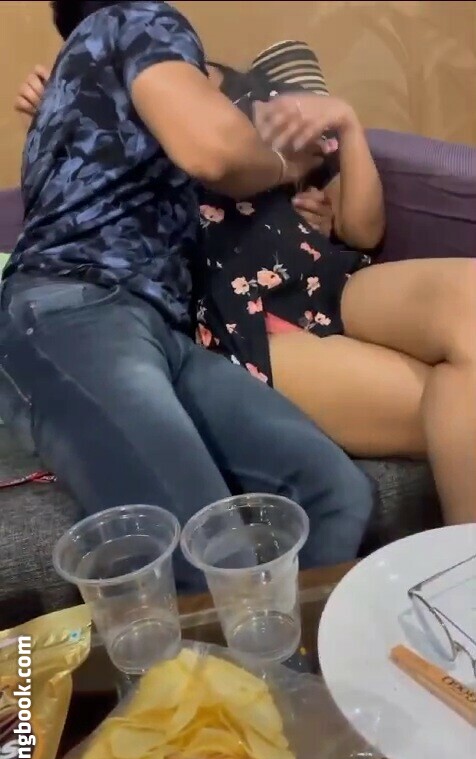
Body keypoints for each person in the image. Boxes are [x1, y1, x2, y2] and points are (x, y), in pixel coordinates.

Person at [16, 46, 476, 527]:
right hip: (244, 324)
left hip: (329, 278)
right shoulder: (107, 111)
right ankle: (461, 566)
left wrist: (346, 122)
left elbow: (363, 231)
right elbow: (79, 232)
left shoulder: (261, 94)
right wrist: (61, 122)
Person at [1, 0, 374, 593]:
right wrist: (284, 162)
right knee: (208, 551)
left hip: (160, 325)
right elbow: (215, 152)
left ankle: (292, 643)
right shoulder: (138, 17)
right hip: (70, 311)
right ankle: (231, 649)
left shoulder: (80, 83)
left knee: (333, 492)